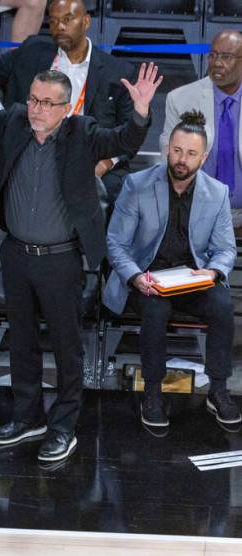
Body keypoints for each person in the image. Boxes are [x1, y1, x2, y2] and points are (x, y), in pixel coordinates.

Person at [0, 23, 159, 463]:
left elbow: (124, 140)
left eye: (45, 103)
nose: (35, 108)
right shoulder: (15, 122)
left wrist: (140, 113)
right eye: (33, 99)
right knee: (21, 342)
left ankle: (63, 426)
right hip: (16, 254)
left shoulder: (83, 133)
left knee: (65, 345)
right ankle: (27, 416)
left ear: (64, 107)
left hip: (61, 260)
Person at [0, 0, 138, 203]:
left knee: (113, 187)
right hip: (33, 152)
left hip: (87, 157)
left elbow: (128, 133)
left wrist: (105, 164)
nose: (59, 26)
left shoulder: (117, 72)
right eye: (53, 21)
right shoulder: (32, 51)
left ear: (86, 21)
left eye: (67, 19)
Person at [104, 111, 240, 428]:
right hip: (146, 278)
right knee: (155, 310)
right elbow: (116, 243)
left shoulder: (217, 193)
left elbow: (225, 249)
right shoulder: (136, 185)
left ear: (203, 157)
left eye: (191, 153)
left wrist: (213, 272)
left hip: (191, 280)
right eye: (177, 150)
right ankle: (153, 393)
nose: (182, 159)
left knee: (222, 307)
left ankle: (217, 390)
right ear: (168, 148)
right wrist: (136, 277)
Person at [161, 30, 242, 232]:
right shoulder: (181, 99)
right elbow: (168, 155)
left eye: (226, 56)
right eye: (213, 55)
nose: (216, 62)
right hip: (195, 209)